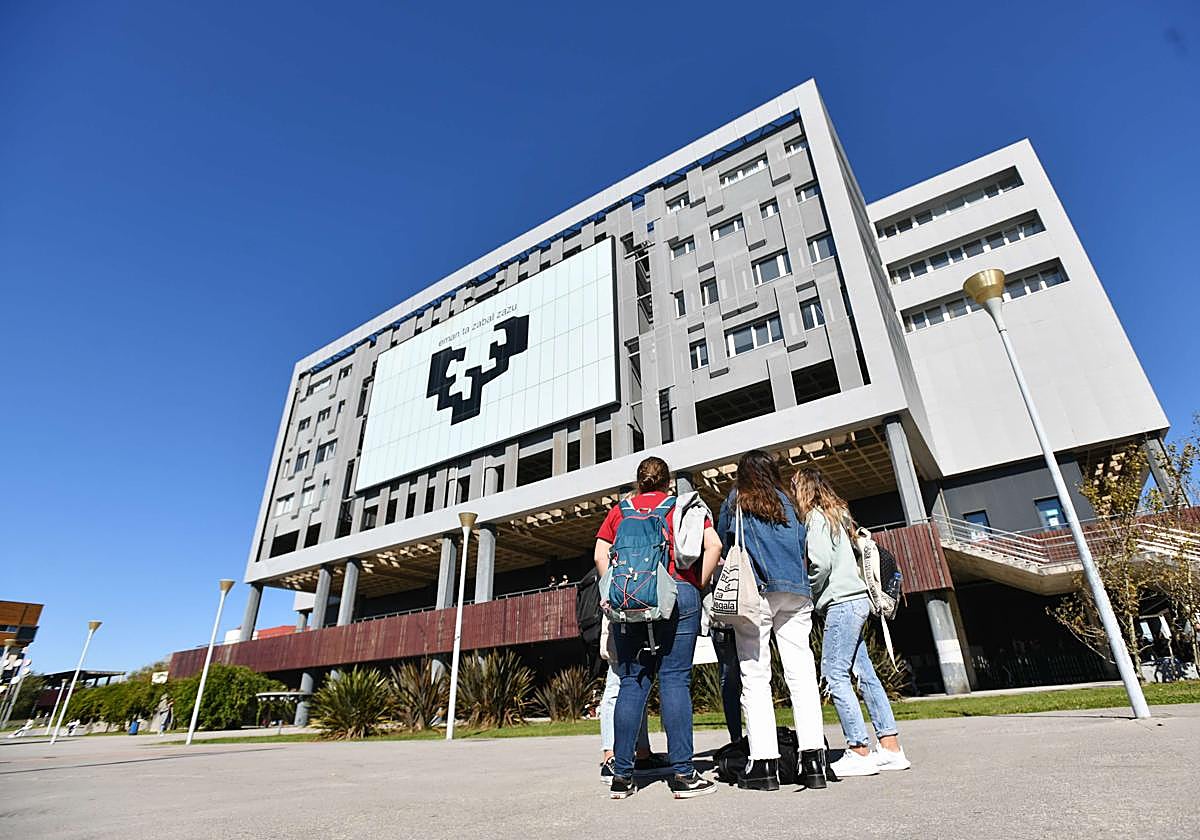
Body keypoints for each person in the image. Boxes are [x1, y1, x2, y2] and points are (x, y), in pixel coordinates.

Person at [594, 456, 722, 799]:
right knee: (675, 679)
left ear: (639, 483)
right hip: (678, 594)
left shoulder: (620, 510)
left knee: (633, 683)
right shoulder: (682, 505)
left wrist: (616, 590)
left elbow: (599, 554)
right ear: (669, 482)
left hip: (630, 599)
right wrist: (698, 583)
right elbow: (714, 545)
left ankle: (622, 776)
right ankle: (683, 774)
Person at [716, 450, 827, 792]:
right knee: (803, 674)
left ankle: (763, 764)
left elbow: (724, 540)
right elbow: (806, 546)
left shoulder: (737, 498)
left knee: (754, 674)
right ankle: (813, 761)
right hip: (796, 592)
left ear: (743, 474)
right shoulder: (790, 501)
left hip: (757, 594)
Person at [792, 468, 910, 775]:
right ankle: (891, 747)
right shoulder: (840, 515)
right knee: (865, 674)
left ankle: (859, 750)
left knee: (834, 674)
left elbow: (820, 563)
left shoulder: (815, 519)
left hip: (841, 603)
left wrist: (811, 591)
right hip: (858, 600)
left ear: (803, 490)